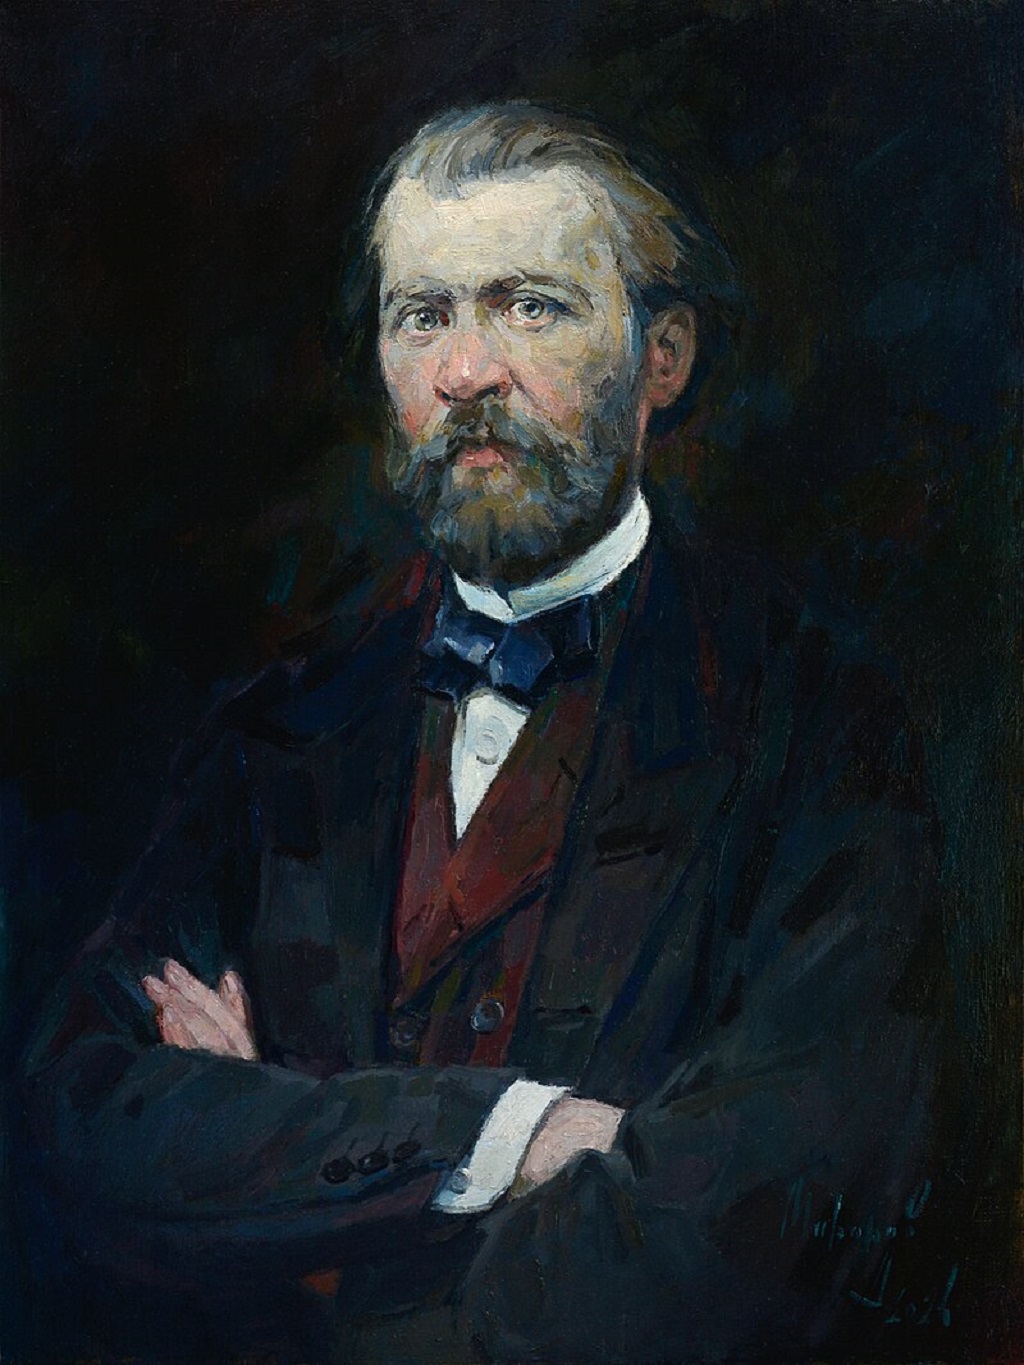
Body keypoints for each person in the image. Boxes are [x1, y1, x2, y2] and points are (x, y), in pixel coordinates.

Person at [23, 104, 948, 1363]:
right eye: (423, 315)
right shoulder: (275, 734)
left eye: (530, 306)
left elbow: (763, 1226)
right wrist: (511, 1138)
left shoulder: (821, 728)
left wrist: (285, 1190)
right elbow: (85, 1119)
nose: (464, 372)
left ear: (662, 357)